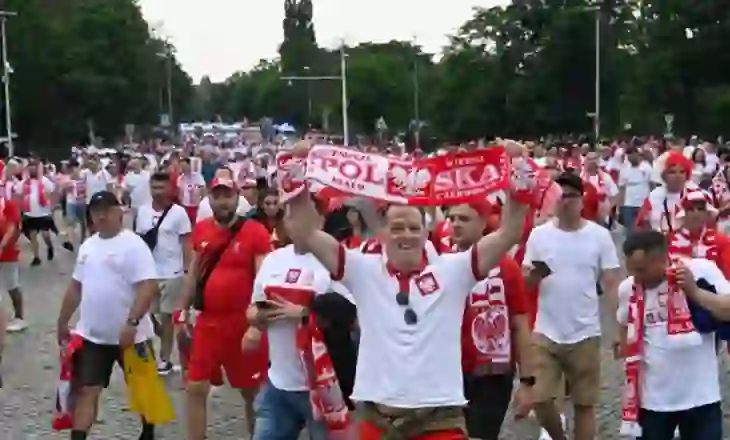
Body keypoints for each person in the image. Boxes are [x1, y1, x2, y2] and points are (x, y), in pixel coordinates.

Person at [286, 146, 530, 439]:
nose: (406, 235)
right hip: (377, 419)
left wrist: (518, 167)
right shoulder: (361, 269)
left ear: (427, 234)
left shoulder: (454, 271)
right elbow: (305, 232)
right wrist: (295, 169)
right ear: (383, 234)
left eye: (414, 228)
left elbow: (510, 232)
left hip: (439, 418)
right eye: (398, 227)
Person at [523, 172, 621, 440]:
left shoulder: (599, 236)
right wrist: (535, 275)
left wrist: (620, 328)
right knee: (540, 399)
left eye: (572, 196)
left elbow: (612, 284)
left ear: (582, 200)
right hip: (546, 331)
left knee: (584, 405)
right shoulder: (539, 235)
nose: (565, 201)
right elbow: (525, 284)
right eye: (560, 195)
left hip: (585, 331)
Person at [56, 190, 159, 440]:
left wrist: (132, 322)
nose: (100, 216)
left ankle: (148, 432)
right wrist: (62, 320)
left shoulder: (134, 245)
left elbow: (148, 286)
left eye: (106, 210)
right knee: (87, 391)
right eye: (95, 211)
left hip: (132, 337)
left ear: (119, 212)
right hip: (93, 336)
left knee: (143, 390)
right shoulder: (88, 246)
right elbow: (75, 287)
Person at [245, 198, 350, 440]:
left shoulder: (336, 260)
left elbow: (351, 315)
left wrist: (304, 313)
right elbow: (252, 309)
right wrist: (259, 317)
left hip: (322, 387)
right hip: (278, 384)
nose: (295, 223)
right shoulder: (273, 260)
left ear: (320, 220)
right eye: (290, 216)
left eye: (302, 216)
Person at [176, 176, 270, 440]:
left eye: (227, 195)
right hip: (208, 323)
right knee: (195, 387)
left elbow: (263, 279)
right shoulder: (202, 229)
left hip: (242, 323)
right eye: (217, 195)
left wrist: (257, 323)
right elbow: (193, 274)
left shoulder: (255, 231)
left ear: (237, 197)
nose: (223, 201)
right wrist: (181, 311)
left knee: (252, 392)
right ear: (209, 198)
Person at [618, 230, 727, 440]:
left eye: (641, 270)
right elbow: (623, 324)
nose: (636, 277)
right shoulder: (628, 289)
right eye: (632, 270)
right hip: (653, 402)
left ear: (661, 259)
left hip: (701, 397)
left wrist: (694, 292)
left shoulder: (700, 270)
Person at [447, 202, 534, 440]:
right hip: (448, 372)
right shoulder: (441, 265)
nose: (454, 224)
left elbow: (520, 326)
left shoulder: (507, 267)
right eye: (451, 218)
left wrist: (527, 382)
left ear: (482, 224)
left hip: (492, 377)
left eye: (463, 219)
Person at [134, 172, 192, 375]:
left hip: (172, 273)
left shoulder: (179, 213)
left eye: (162, 188)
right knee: (148, 316)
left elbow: (186, 243)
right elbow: (137, 242)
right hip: (149, 273)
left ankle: (165, 358)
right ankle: (162, 343)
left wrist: (187, 272)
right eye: (154, 187)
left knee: (167, 317)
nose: (157, 192)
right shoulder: (141, 212)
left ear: (169, 189)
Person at [0, 196, 25, 332]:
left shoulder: (8, 203)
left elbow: (12, 228)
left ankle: (19, 317)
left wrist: (2, 246)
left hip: (8, 253)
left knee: (12, 286)